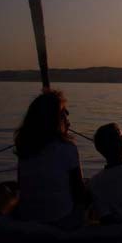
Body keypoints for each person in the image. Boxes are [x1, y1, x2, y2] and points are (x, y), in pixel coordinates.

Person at [14, 90, 86, 228]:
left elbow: (22, 185)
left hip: (28, 218)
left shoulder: (25, 146)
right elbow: (79, 191)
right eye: (64, 112)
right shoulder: (67, 148)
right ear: (56, 119)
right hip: (61, 219)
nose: (67, 116)